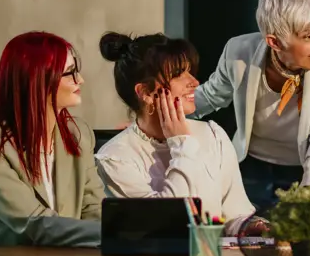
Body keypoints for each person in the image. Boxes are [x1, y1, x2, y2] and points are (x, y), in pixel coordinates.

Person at [191, 0, 310, 210]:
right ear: (275, 42)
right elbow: (209, 97)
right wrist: (153, 119)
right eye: (309, 36)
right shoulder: (238, 52)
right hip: (251, 168)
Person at [0, 31, 104, 251]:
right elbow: (33, 223)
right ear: (38, 79)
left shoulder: (79, 133)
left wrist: (123, 235)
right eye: (69, 73)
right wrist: (112, 235)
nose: (80, 80)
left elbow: (93, 208)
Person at [94, 32, 256, 236]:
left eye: (190, 71)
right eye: (179, 75)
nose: (195, 82)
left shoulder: (213, 135)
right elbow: (165, 224)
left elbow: (235, 214)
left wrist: (253, 226)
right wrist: (181, 144)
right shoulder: (115, 157)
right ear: (145, 93)